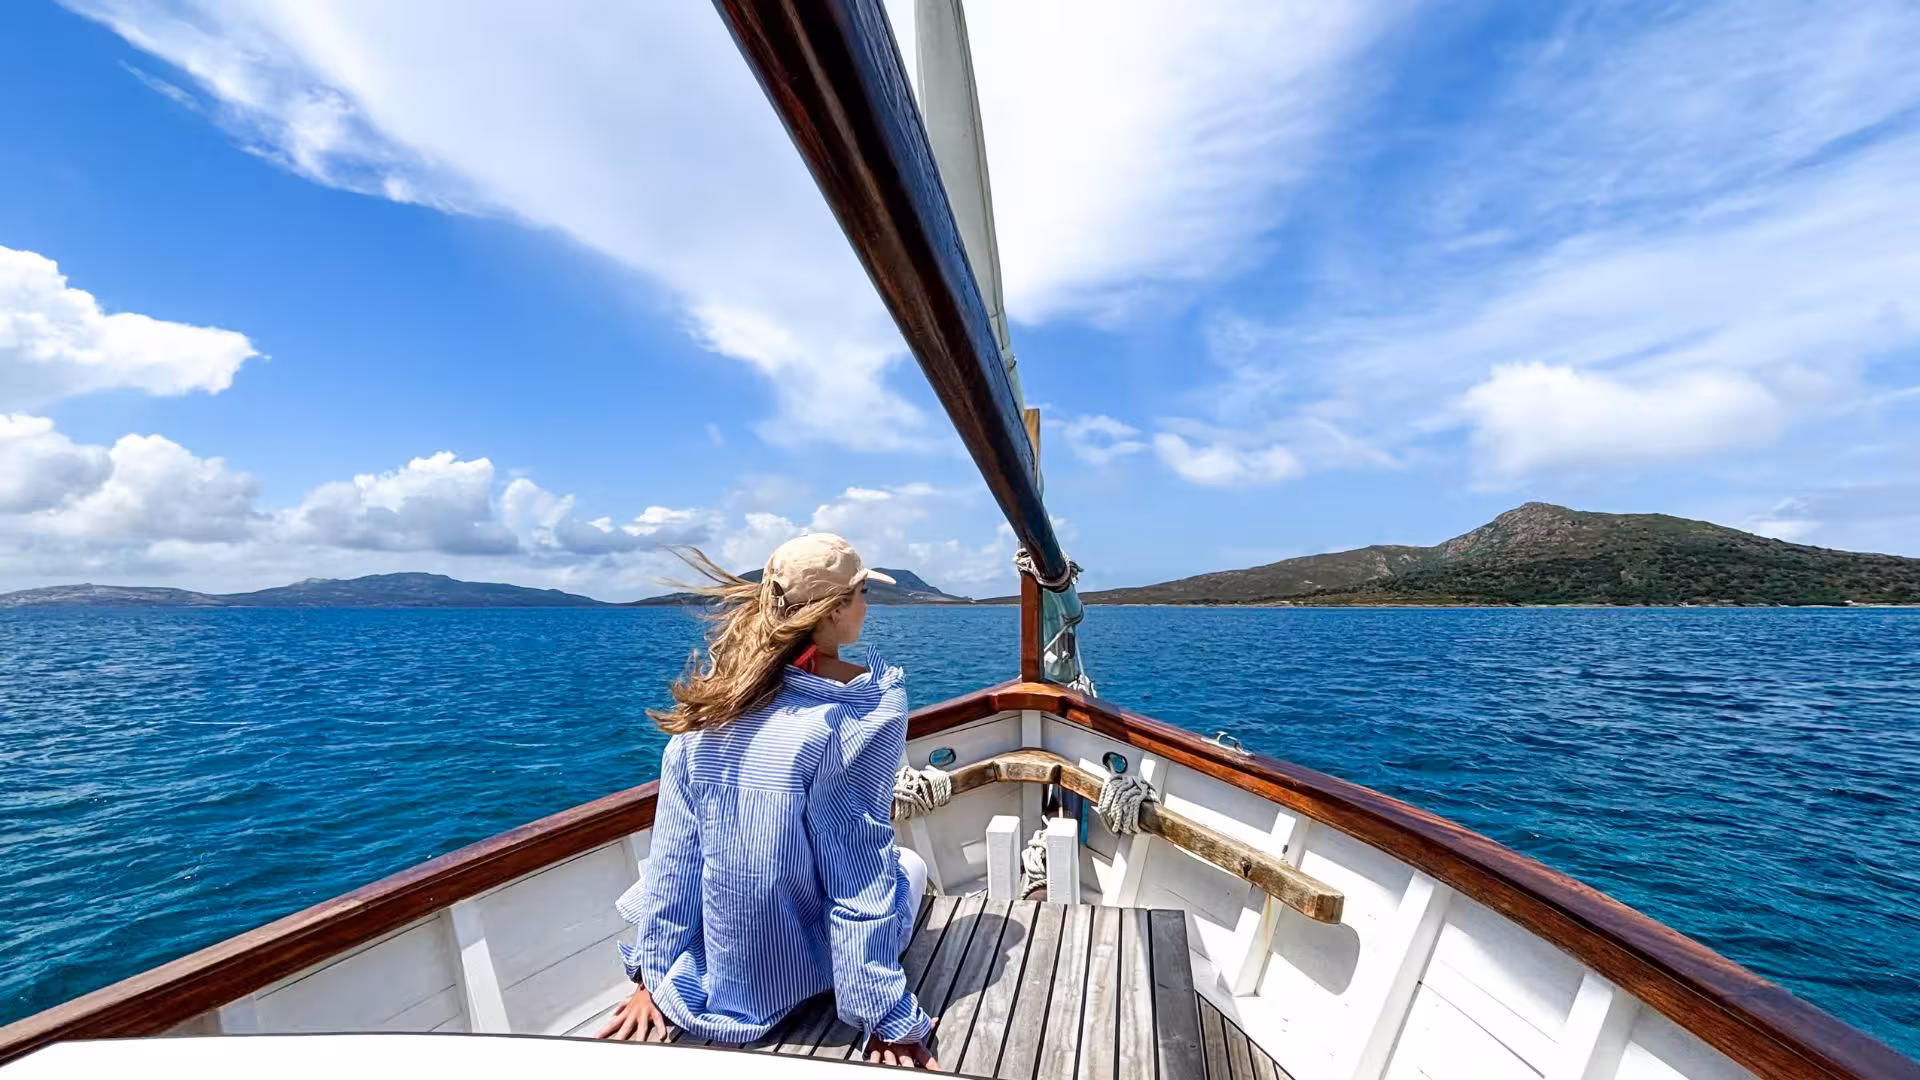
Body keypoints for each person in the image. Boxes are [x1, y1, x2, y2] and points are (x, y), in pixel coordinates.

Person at [598, 533, 939, 1070]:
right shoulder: (860, 712)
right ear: (831, 612)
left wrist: (652, 980)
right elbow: (858, 872)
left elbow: (673, 865)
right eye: (862, 591)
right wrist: (887, 1019)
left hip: (721, 975)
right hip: (806, 968)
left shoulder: (705, 715)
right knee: (908, 865)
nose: (867, 605)